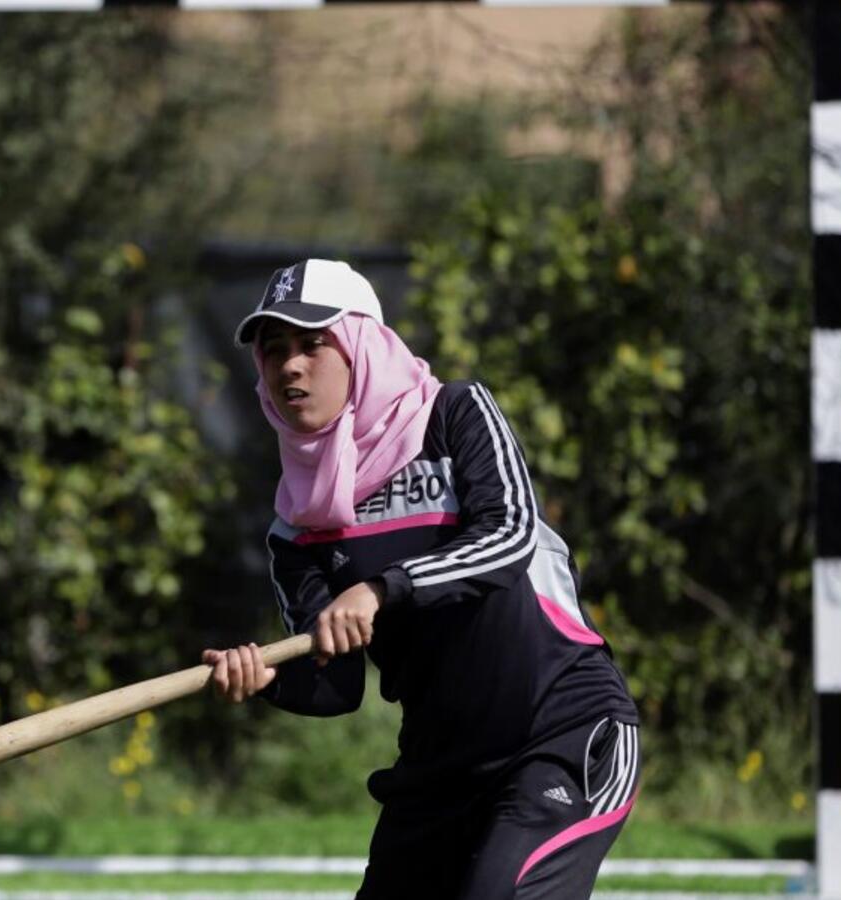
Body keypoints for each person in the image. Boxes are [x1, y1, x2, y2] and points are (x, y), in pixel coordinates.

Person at [203, 259, 640, 899]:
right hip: (439, 773)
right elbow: (335, 685)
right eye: (273, 350)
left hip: (562, 734)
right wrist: (266, 677)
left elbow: (509, 534)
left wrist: (383, 588)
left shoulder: (455, 414)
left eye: (312, 344)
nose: (290, 365)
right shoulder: (296, 527)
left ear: (362, 347)